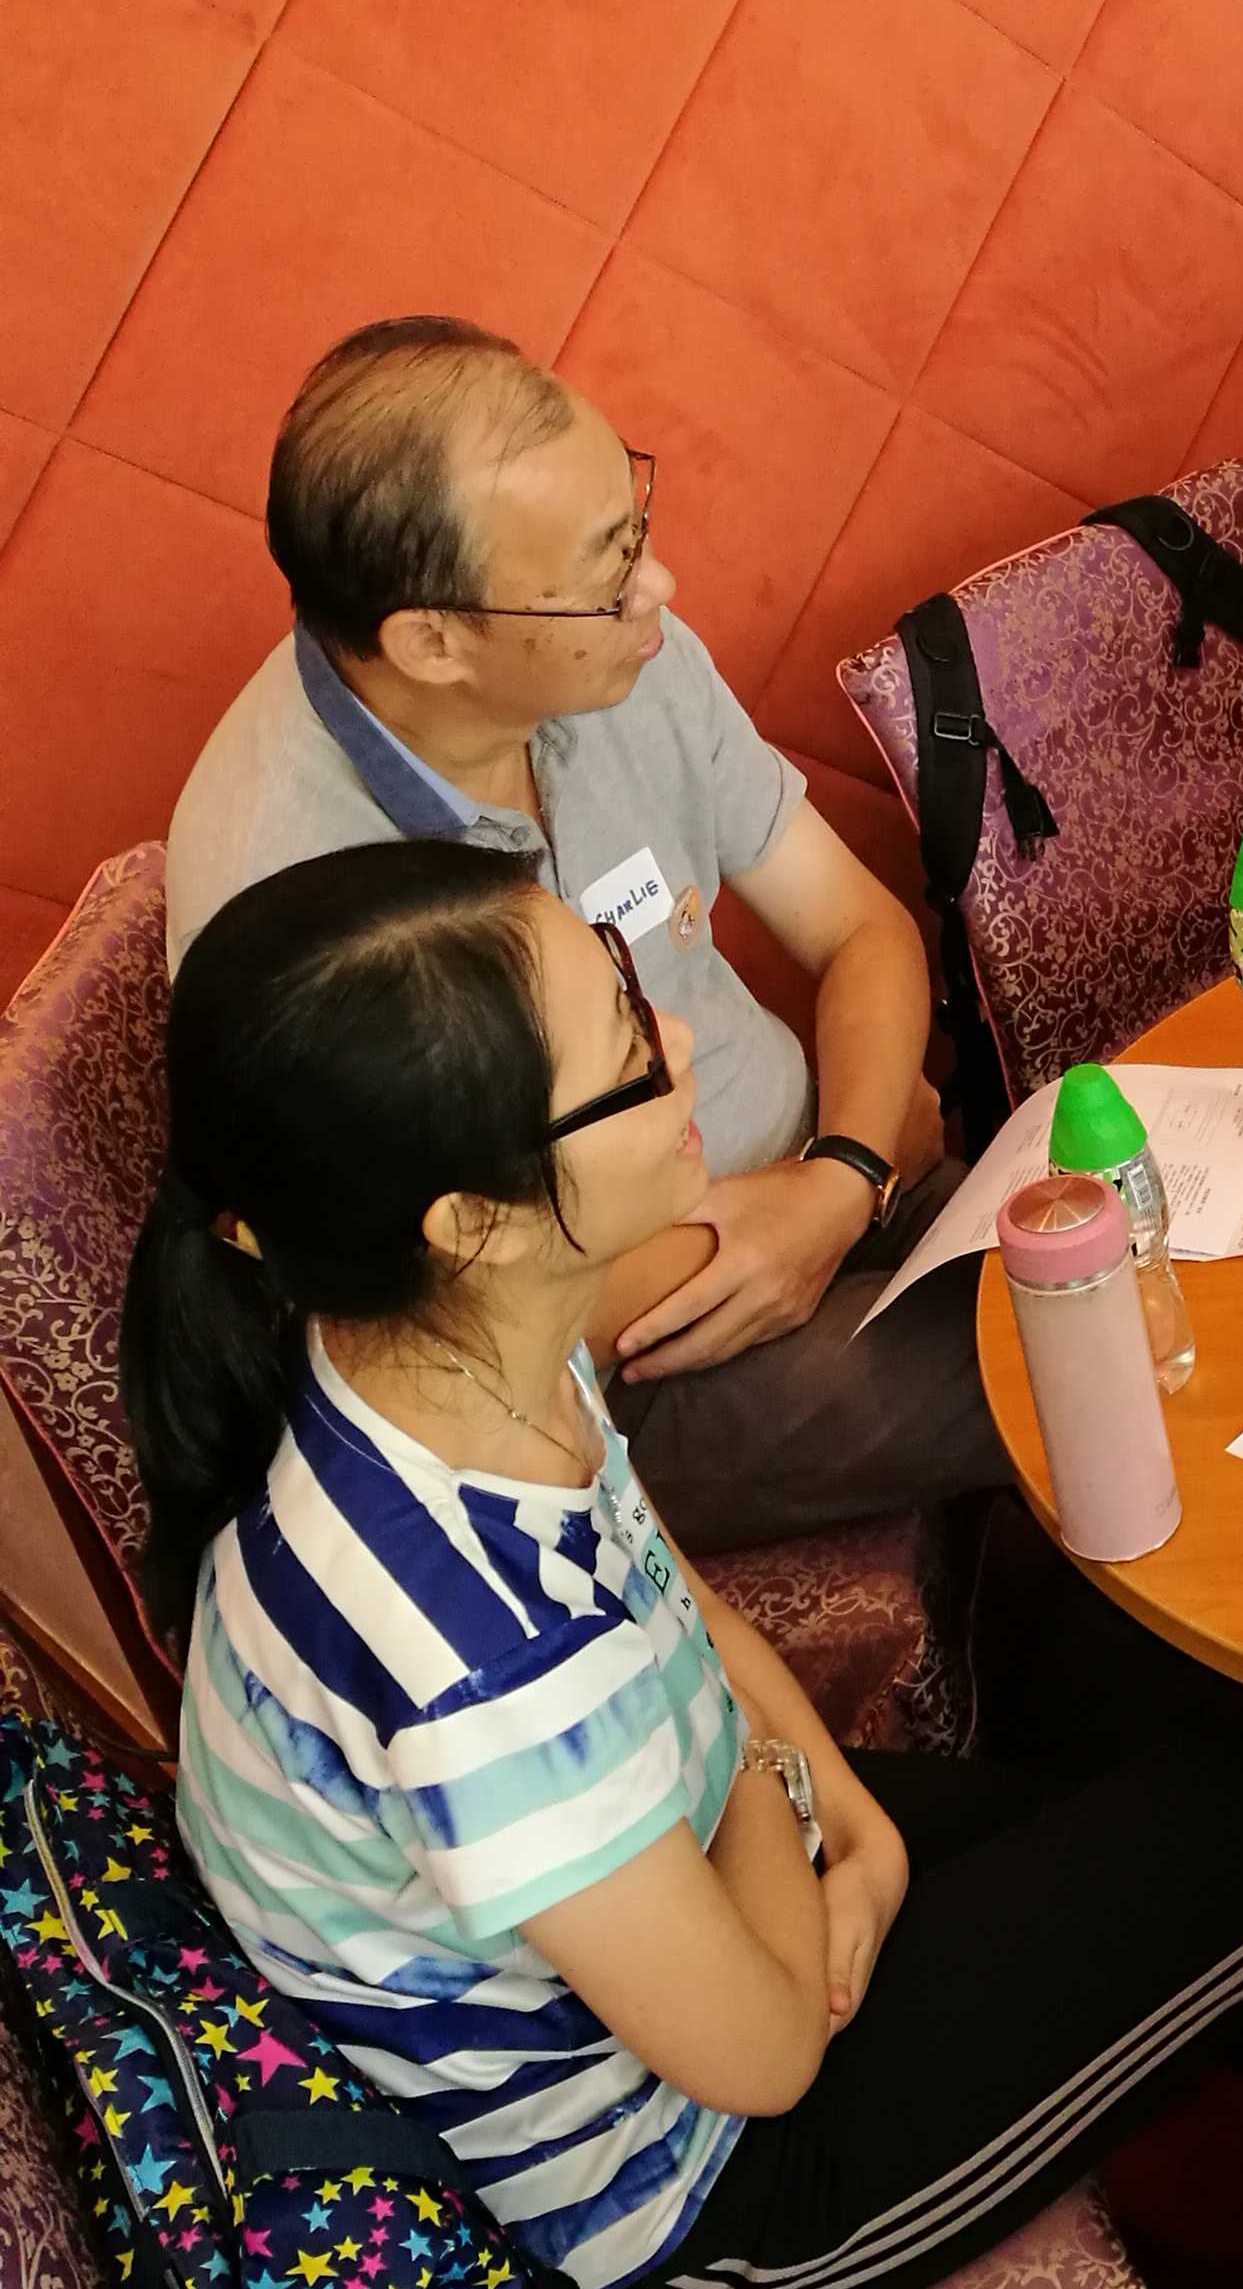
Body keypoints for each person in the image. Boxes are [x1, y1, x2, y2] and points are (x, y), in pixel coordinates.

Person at [122, 842, 1243, 2289]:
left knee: (1240, 1796)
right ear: (472, 1219)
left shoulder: (458, 1354)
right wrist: (802, 1807)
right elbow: (764, 2052)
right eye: (628, 1049)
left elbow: (670, 1597)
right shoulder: (466, 1658)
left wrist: (844, 1816)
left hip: (699, 1880)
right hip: (708, 2201)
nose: (679, 1038)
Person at [168, 318, 987, 1555]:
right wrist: (791, 1216)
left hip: (840, 1168)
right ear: (432, 640)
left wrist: (845, 1171)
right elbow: (425, 1344)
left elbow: (858, 924)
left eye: (634, 526)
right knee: (1070, 1347)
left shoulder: (612, 654)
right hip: (635, 1363)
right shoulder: (295, 900)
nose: (658, 587)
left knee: (1144, 1239)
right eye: (608, 569)